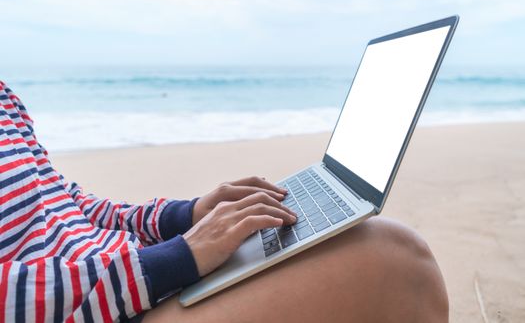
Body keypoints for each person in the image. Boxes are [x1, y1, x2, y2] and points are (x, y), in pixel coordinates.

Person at [0, 81, 448, 322]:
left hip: (129, 280)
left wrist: (187, 216)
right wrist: (179, 259)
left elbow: (62, 203)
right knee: (394, 258)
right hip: (109, 303)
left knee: (333, 238)